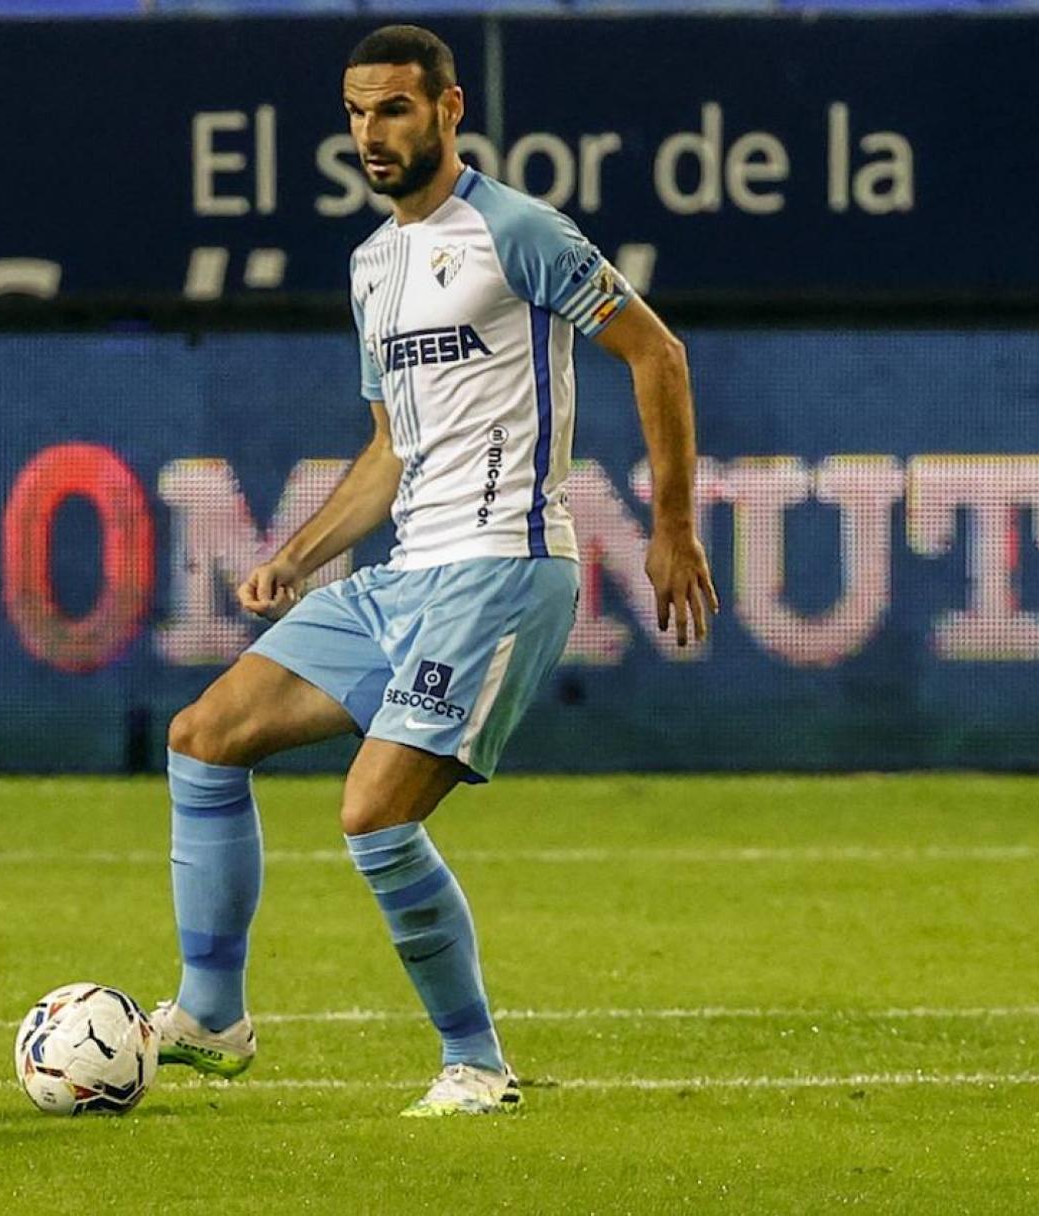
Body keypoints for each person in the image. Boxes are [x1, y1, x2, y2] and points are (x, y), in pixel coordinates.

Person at [153, 23, 716, 1117]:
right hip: (404, 576)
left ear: (449, 110)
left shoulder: (517, 232)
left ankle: (477, 1065)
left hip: (502, 569)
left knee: (373, 814)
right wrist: (299, 556)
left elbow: (659, 351)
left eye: (395, 108)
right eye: (357, 111)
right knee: (203, 738)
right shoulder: (372, 266)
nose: (372, 132)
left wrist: (673, 525)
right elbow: (391, 452)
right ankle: (213, 1014)